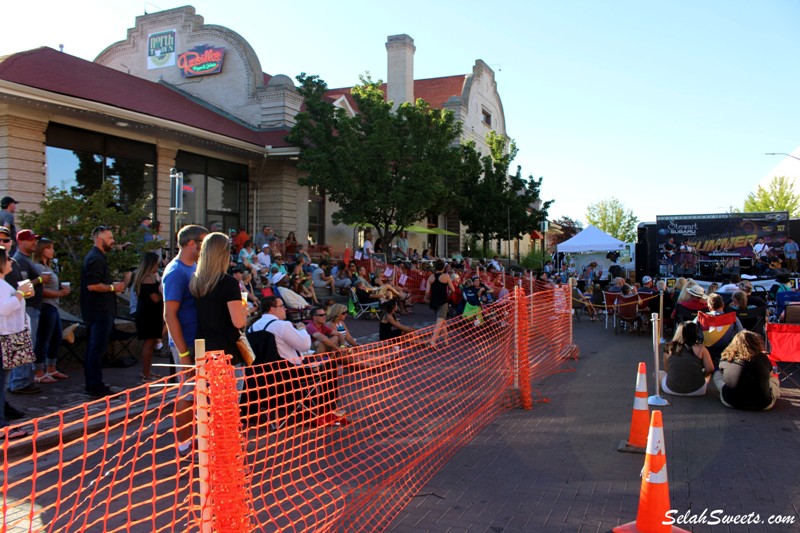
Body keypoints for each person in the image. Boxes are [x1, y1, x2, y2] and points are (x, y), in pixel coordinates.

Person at [250, 296, 347, 425]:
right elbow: (304, 345)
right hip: (289, 375)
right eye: (282, 306)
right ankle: (328, 407)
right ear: (272, 309)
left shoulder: (252, 327)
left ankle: (312, 404)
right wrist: (302, 328)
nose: (285, 309)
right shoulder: (281, 325)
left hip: (265, 377)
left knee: (316, 364)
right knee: (329, 364)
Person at [162, 224, 207, 457]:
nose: (205, 247)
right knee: (187, 395)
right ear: (191, 244)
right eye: (203, 242)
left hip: (197, 340)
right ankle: (182, 444)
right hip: (185, 343)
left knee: (198, 394)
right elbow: (169, 314)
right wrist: (182, 353)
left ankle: (197, 439)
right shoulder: (176, 272)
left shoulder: (194, 267)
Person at [80, 226, 127, 398]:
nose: (113, 241)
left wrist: (111, 286)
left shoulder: (97, 257)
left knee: (96, 349)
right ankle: (94, 385)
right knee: (95, 349)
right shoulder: (95, 258)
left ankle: (95, 384)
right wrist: (113, 287)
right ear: (100, 238)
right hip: (99, 311)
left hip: (100, 310)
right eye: (110, 238)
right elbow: (92, 285)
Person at [189, 232, 248, 366]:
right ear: (224, 254)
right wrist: (244, 311)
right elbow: (238, 322)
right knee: (232, 387)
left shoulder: (196, 280)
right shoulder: (229, 283)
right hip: (227, 352)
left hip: (204, 349)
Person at [7, 229, 51, 394]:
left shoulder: (25, 260)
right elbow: (21, 286)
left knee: (27, 346)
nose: (35, 243)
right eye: (31, 240)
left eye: (35, 240)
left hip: (32, 308)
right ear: (21, 242)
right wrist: (40, 280)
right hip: (26, 309)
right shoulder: (19, 260)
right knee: (23, 345)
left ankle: (23, 381)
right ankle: (19, 382)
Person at [0, 245, 33, 439]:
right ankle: (2, 424)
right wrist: (20, 294)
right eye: (6, 257)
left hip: (13, 334)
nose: (11, 260)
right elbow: (4, 309)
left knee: (3, 381)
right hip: (6, 336)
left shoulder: (4, 283)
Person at [32, 237, 70, 384]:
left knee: (56, 337)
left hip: (54, 306)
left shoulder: (48, 267)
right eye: (49, 248)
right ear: (42, 249)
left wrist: (61, 289)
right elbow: (40, 290)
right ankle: (39, 371)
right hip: (46, 306)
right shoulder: (38, 268)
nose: (52, 251)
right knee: (43, 339)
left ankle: (51, 367)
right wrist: (59, 293)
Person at [713, 330, 780, 410]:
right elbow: (771, 375)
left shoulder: (728, 357)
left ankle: (726, 391)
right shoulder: (763, 357)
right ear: (755, 343)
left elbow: (721, 369)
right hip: (763, 404)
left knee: (717, 374)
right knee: (774, 379)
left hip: (731, 402)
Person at [132, 252, 164, 383]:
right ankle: (146, 373)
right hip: (148, 315)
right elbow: (155, 298)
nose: (158, 265)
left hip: (150, 314)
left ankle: (147, 371)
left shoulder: (147, 277)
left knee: (150, 344)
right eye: (156, 263)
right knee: (149, 344)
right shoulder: (147, 279)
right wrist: (165, 291)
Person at [660, 321, 714, 396]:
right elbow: (710, 369)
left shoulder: (669, 348)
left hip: (671, 389)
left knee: (658, 374)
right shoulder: (701, 348)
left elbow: (667, 369)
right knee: (706, 374)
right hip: (698, 390)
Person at [425, 259, 454, 347]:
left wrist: (426, 298)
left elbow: (427, 292)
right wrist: (449, 294)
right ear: (443, 267)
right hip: (442, 301)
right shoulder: (446, 276)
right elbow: (453, 289)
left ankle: (446, 340)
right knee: (439, 323)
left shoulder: (431, 277)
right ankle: (433, 341)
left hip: (434, 302)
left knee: (442, 320)